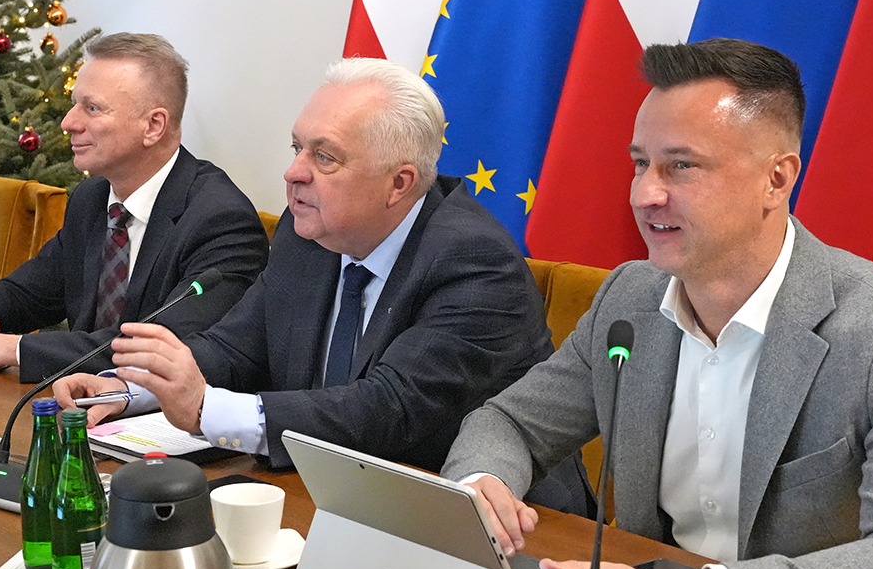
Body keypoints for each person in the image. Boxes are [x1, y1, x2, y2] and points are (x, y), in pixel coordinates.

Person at [443, 38, 873, 569]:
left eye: (681, 166)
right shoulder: (630, 299)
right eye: (640, 164)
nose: (644, 194)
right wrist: (481, 484)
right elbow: (510, 423)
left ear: (776, 179)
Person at [53, 58, 552, 471]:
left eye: (325, 158)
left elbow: (387, 408)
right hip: (328, 492)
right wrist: (130, 389)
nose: (293, 173)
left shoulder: (474, 262)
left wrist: (204, 407)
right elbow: (235, 348)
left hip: (486, 522)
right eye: (297, 149)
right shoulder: (308, 232)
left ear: (398, 184)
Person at [0, 33, 268, 383]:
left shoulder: (221, 221)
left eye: (92, 108)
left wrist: (12, 349)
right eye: (75, 104)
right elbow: (30, 293)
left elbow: (159, 350)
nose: (68, 122)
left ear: (153, 126)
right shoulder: (92, 197)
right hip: (81, 400)